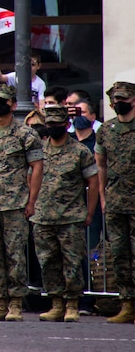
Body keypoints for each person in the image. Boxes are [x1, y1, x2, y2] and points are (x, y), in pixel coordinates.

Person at [0, 84, 44, 322]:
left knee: (15, 254)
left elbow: (37, 167)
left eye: (3, 101)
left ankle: (15, 302)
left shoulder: (26, 134)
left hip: (15, 202)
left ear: (13, 105)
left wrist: (32, 200)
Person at [34, 105, 99, 322]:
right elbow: (30, 178)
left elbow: (93, 182)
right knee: (48, 262)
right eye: (49, 124)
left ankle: (72, 304)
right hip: (43, 217)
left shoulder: (80, 151)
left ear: (66, 124)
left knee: (72, 262)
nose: (53, 127)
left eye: (57, 124)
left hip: (71, 216)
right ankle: (56, 303)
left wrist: (89, 213)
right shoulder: (39, 151)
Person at [94, 81, 135, 323]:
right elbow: (101, 165)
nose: (119, 102)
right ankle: (127, 303)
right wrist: (103, 196)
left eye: (124, 98)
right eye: (116, 99)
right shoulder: (106, 129)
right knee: (120, 254)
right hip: (116, 201)